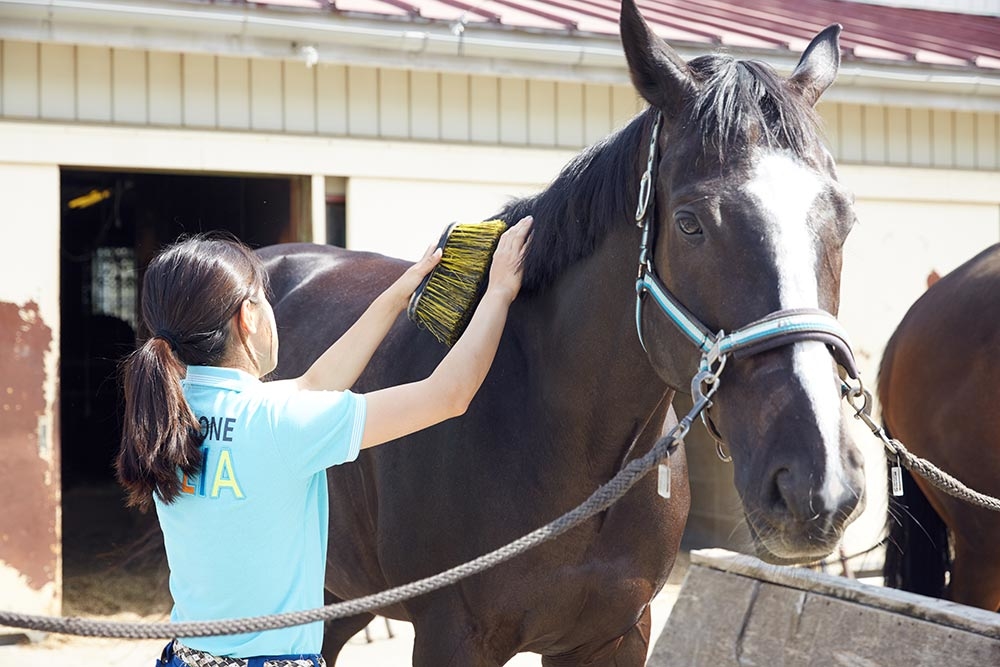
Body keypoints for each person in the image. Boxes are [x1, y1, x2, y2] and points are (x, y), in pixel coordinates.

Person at [115, 217, 533, 667]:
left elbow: (316, 382)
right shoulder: (279, 422)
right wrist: (499, 292)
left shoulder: (170, 414)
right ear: (248, 317)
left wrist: (402, 290)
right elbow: (448, 394)